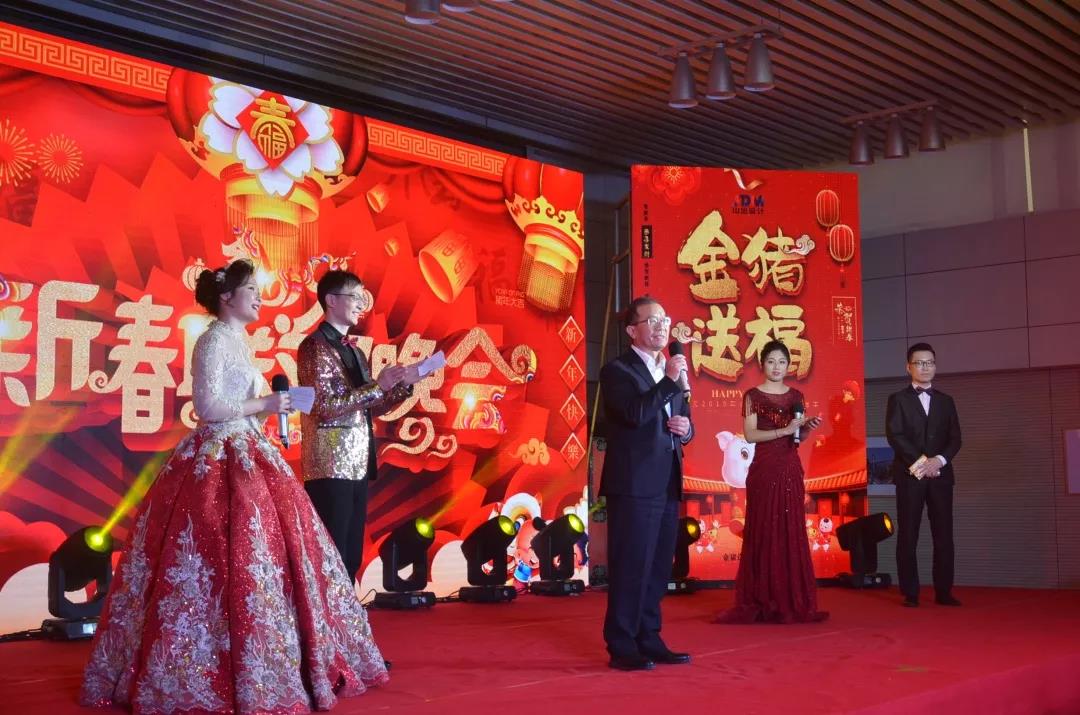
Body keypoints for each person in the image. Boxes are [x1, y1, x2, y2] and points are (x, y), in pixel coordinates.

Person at [80, 260, 388, 713]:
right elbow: (208, 406)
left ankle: (270, 658)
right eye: (251, 290)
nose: (259, 298)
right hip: (219, 455)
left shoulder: (239, 341)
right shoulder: (212, 341)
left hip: (250, 448)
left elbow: (243, 404)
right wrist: (264, 402)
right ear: (226, 297)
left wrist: (270, 407)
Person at [297, 270, 418, 584]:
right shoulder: (314, 347)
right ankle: (325, 612)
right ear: (331, 300)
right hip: (329, 464)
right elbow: (323, 407)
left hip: (358, 462)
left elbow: (370, 406)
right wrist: (378, 386)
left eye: (363, 297)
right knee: (331, 552)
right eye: (355, 296)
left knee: (351, 554)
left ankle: (347, 611)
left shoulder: (355, 350)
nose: (361, 304)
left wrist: (402, 386)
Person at [599, 296, 694, 671]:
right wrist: (669, 381)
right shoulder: (617, 371)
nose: (661, 325)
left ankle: (649, 637)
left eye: (664, 319)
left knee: (656, 566)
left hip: (667, 480)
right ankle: (622, 645)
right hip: (634, 483)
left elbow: (683, 418)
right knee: (631, 565)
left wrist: (687, 430)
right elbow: (634, 414)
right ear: (631, 330)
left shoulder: (672, 371)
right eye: (651, 320)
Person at [716, 339, 828, 624]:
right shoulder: (753, 396)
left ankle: (789, 599)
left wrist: (806, 429)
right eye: (771, 361)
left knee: (790, 530)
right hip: (764, 469)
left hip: (790, 468)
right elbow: (750, 435)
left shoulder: (796, 396)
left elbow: (797, 438)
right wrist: (785, 430)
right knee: (763, 529)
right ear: (762, 364)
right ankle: (762, 599)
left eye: (782, 362)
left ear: (788, 365)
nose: (777, 367)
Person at [886, 342, 962, 608]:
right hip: (910, 476)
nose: (925, 367)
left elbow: (955, 438)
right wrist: (922, 464)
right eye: (919, 363)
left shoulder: (946, 401)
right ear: (909, 367)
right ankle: (911, 592)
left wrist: (938, 461)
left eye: (929, 362)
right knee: (909, 534)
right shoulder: (898, 399)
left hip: (941, 476)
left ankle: (944, 591)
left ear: (935, 366)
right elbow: (895, 435)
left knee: (944, 535)